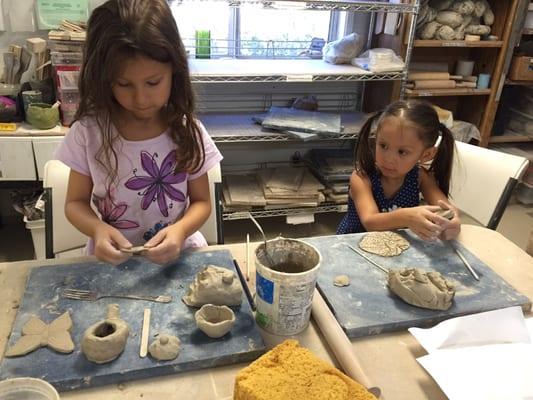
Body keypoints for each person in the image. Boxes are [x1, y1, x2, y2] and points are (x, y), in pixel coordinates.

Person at [55, 0, 222, 265]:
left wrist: (179, 231)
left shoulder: (187, 130)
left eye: (153, 82)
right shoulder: (89, 132)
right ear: (104, 78)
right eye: (124, 84)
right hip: (113, 258)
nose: (141, 98)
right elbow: (74, 203)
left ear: (174, 71)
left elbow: (202, 202)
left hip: (178, 252)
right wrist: (97, 230)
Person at [337, 100, 460, 241]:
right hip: (351, 245)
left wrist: (450, 223)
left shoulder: (420, 177)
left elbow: (448, 209)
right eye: (383, 146)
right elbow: (370, 222)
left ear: (426, 154)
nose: (389, 158)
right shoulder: (361, 177)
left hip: (396, 245)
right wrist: (407, 217)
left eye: (402, 152)